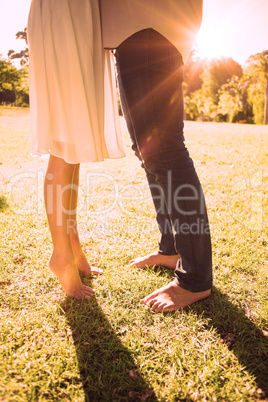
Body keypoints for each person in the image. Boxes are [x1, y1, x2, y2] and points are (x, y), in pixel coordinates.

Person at [100, 0, 213, 312]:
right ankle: (171, 249)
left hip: (150, 26)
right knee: (148, 151)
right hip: (134, 30)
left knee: (165, 150)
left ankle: (195, 278)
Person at [27, 0, 124, 299]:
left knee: (76, 145)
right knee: (64, 141)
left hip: (85, 18)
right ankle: (61, 255)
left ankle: (72, 242)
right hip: (63, 14)